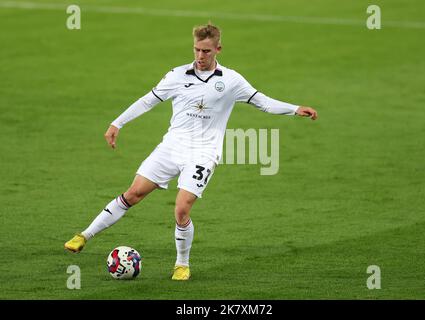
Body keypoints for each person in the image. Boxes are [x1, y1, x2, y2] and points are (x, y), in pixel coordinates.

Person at [64, 23, 318, 281]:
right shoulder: (177, 75)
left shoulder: (231, 80)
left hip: (203, 152)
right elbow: (148, 100)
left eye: (206, 51)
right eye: (196, 49)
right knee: (133, 193)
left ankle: (181, 264)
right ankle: (84, 235)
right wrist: (117, 122)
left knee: (182, 208)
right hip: (172, 147)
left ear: (218, 49)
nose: (200, 56)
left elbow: (263, 102)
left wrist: (294, 108)